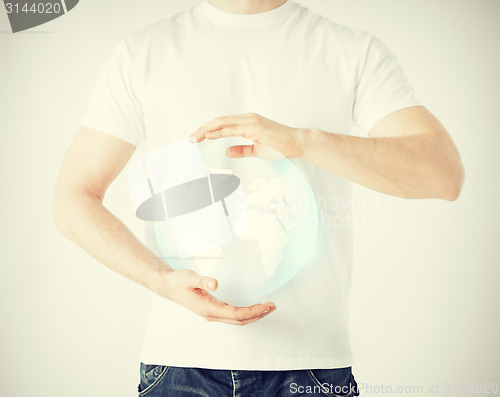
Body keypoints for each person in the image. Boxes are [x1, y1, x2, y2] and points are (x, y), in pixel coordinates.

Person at [52, 0, 464, 395]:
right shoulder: (142, 53)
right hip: (179, 364)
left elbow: (444, 174)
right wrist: (159, 280)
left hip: (311, 369)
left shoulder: (352, 50)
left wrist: (302, 142)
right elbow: (73, 198)